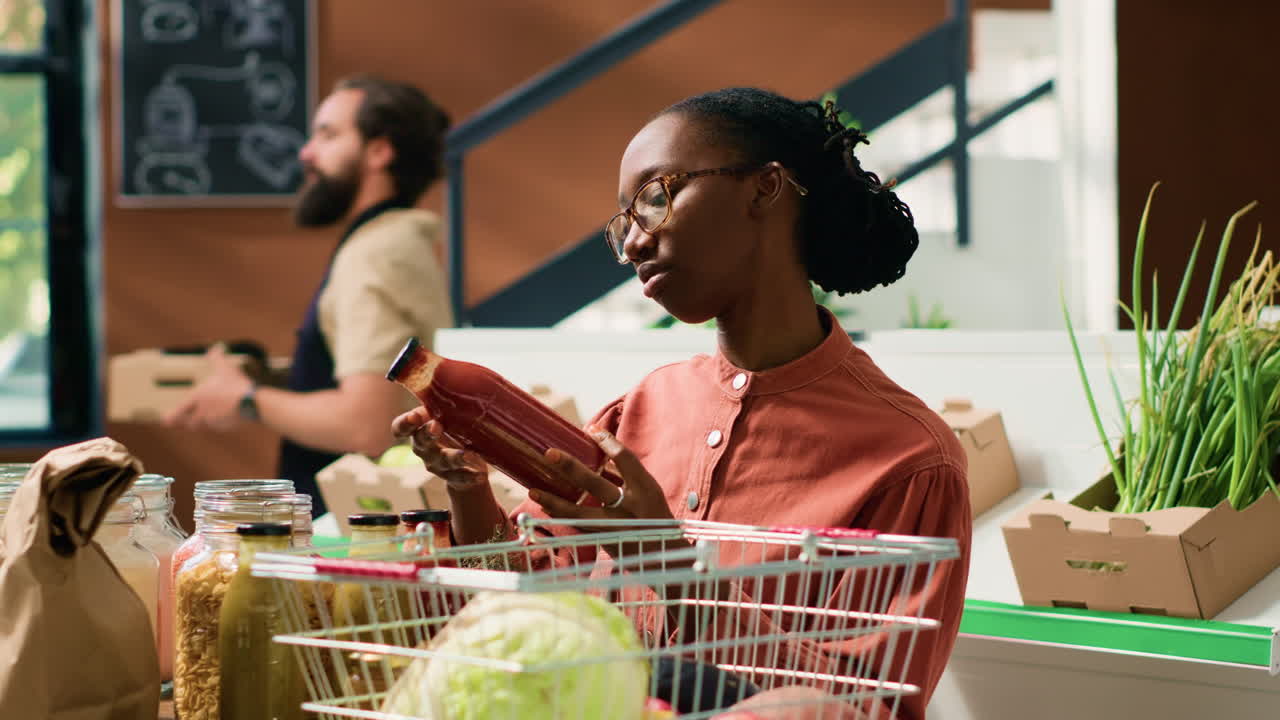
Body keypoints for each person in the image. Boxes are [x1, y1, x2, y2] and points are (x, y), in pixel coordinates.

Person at [392, 87, 970, 719]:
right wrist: (470, 488)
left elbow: (865, 705)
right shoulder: (637, 411)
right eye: (625, 223)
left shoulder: (910, 460)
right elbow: (525, 608)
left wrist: (669, 566)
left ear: (765, 189)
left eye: (655, 198)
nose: (634, 245)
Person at [168, 75, 454, 517]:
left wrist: (247, 398)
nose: (306, 152)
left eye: (328, 135)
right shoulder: (396, 241)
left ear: (379, 151)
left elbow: (366, 424)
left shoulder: (375, 254)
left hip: (357, 532)